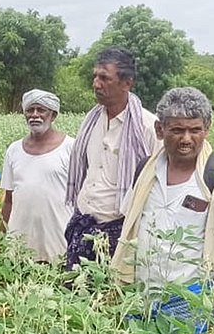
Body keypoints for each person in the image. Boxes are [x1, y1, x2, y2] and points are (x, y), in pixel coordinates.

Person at [111, 86, 214, 326]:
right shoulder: (145, 172)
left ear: (207, 129)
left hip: (193, 300)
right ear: (160, 130)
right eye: (177, 130)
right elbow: (128, 230)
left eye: (195, 130)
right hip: (142, 297)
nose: (186, 139)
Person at [64, 47, 159, 269]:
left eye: (105, 78)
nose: (96, 84)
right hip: (83, 226)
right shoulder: (91, 121)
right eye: (95, 77)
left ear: (127, 83)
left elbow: (156, 185)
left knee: (111, 298)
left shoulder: (147, 127)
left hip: (119, 232)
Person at [0, 88, 75, 263]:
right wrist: (1, 237)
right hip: (19, 245)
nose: (35, 115)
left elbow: (82, 197)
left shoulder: (71, 147)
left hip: (60, 242)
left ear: (53, 115)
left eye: (41, 110)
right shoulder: (14, 150)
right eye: (30, 110)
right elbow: (8, 199)